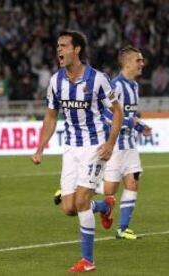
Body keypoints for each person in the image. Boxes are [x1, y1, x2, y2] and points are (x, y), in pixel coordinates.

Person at [31, 30, 123, 273]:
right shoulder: (55, 81)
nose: (58, 49)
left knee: (82, 200)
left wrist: (110, 144)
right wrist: (40, 147)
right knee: (70, 207)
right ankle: (104, 206)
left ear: (77, 49)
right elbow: (51, 116)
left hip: (95, 146)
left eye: (63, 45)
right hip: (71, 148)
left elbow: (117, 112)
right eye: (57, 45)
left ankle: (88, 261)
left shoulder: (98, 79)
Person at [96, 46, 152, 239]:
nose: (142, 64)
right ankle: (73, 188)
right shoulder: (115, 86)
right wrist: (131, 123)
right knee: (110, 190)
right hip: (115, 144)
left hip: (130, 145)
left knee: (133, 183)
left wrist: (139, 125)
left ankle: (123, 229)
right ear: (127, 63)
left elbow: (131, 114)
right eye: (139, 60)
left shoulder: (135, 86)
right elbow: (106, 113)